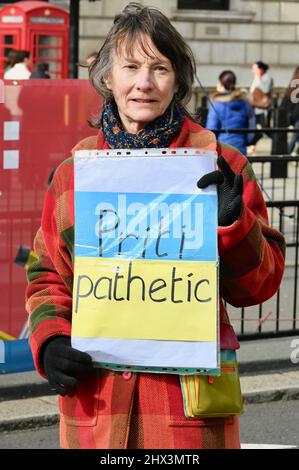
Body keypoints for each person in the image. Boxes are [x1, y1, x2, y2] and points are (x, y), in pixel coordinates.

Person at [26, 3, 285, 449]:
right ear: (108, 77)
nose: (144, 83)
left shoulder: (223, 166)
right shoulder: (74, 173)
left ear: (177, 81)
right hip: (97, 411)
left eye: (159, 68)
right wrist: (49, 342)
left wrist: (232, 224)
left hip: (187, 416)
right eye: (130, 66)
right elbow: (48, 274)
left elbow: (258, 287)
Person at [206, 70, 254, 155]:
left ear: (221, 83)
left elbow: (211, 130)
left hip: (222, 148)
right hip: (240, 147)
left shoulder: (217, 105)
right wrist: (248, 142)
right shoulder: (245, 103)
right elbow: (251, 125)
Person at [248, 61, 274, 153]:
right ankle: (252, 146)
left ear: (260, 69)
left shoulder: (267, 78)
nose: (253, 71)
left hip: (263, 109)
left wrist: (258, 79)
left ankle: (278, 140)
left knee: (265, 128)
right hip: (256, 108)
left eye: (254, 68)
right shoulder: (257, 78)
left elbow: (264, 90)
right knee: (255, 127)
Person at [280, 66, 299, 155]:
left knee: (294, 136)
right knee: (294, 137)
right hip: (296, 114)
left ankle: (286, 153)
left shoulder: (293, 82)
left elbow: (286, 99)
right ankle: (287, 153)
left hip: (291, 114)